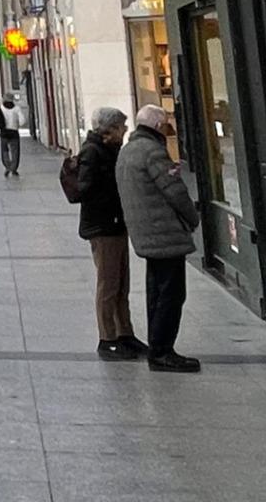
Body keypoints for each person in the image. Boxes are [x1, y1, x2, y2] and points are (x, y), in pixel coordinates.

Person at [115, 104, 201, 372]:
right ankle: (163, 351)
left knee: (157, 292)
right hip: (164, 233)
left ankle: (158, 347)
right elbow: (174, 191)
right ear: (157, 126)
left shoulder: (128, 150)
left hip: (146, 233)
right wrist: (193, 218)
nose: (167, 129)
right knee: (171, 294)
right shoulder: (152, 152)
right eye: (165, 125)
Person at [76, 106, 142, 359]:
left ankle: (125, 333)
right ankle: (107, 338)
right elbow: (86, 189)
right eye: (121, 126)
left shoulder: (110, 149)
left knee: (121, 283)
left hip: (115, 223)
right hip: (103, 226)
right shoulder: (93, 151)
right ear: (110, 128)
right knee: (108, 283)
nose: (125, 130)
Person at [0, 95, 26, 178]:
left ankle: (7, 166)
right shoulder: (17, 108)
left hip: (4, 132)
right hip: (14, 132)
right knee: (15, 151)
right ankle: (14, 168)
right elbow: (22, 121)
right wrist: (17, 124)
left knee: (4, 151)